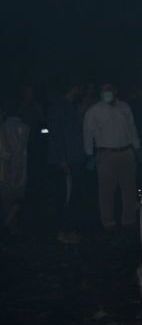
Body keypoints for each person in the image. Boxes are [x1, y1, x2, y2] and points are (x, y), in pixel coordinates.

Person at [82, 82, 141, 230]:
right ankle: (108, 222)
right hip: (106, 155)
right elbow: (87, 134)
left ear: (115, 90)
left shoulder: (125, 107)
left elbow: (131, 128)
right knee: (106, 191)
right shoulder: (94, 111)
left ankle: (129, 220)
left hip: (126, 152)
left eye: (108, 89)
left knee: (129, 190)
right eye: (103, 90)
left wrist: (137, 147)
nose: (105, 92)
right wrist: (90, 155)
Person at [46, 84, 85, 243]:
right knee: (65, 197)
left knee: (69, 196)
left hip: (71, 158)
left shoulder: (68, 106)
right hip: (66, 160)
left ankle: (66, 230)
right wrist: (61, 159)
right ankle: (63, 231)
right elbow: (56, 135)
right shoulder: (61, 107)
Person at [0, 99, 32, 234]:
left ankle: (6, 226)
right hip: (22, 172)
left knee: (5, 202)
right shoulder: (26, 128)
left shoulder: (2, 128)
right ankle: (11, 226)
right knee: (17, 200)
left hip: (4, 172)